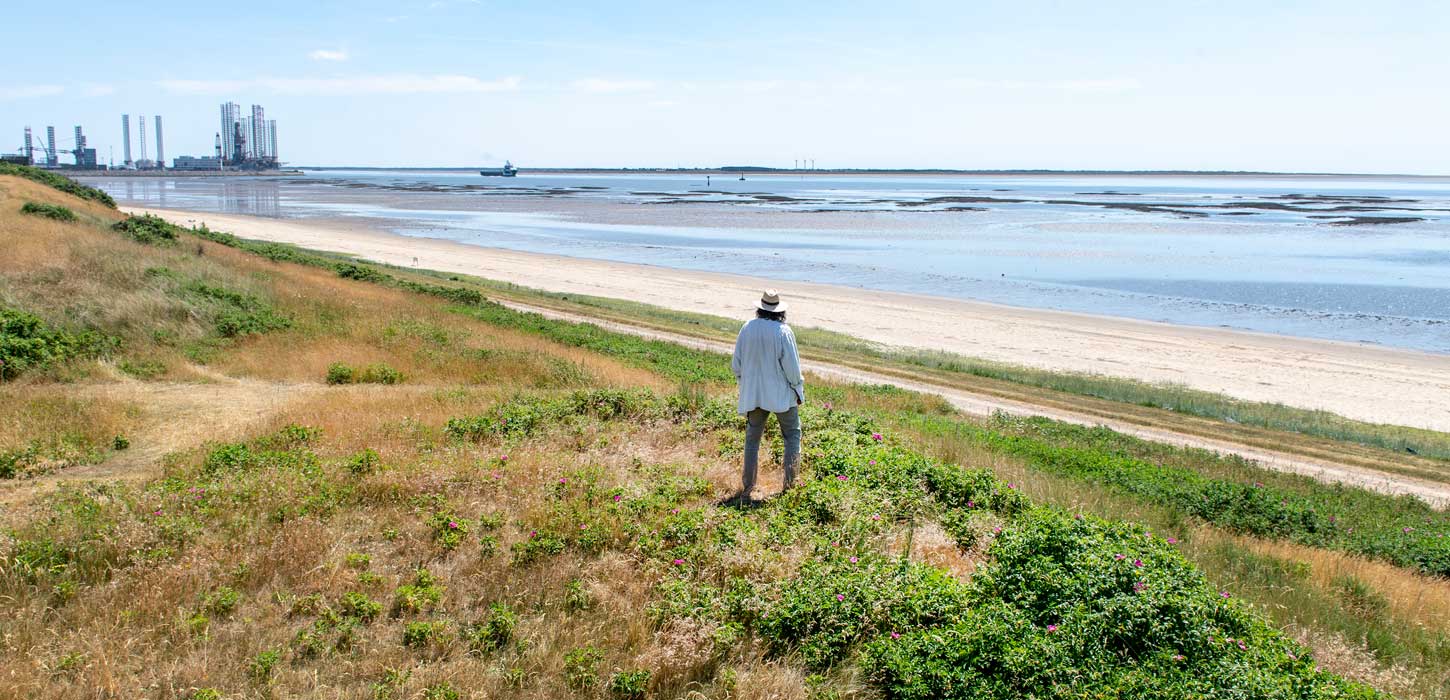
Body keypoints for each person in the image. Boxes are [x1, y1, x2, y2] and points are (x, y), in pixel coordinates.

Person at [730, 290, 804, 501]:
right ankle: (789, 487)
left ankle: (748, 487)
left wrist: (746, 384)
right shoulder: (783, 332)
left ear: (760, 308)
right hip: (781, 395)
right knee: (792, 436)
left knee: (752, 440)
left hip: (754, 394)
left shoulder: (747, 328)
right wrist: (798, 390)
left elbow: (737, 365)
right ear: (780, 311)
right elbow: (792, 369)